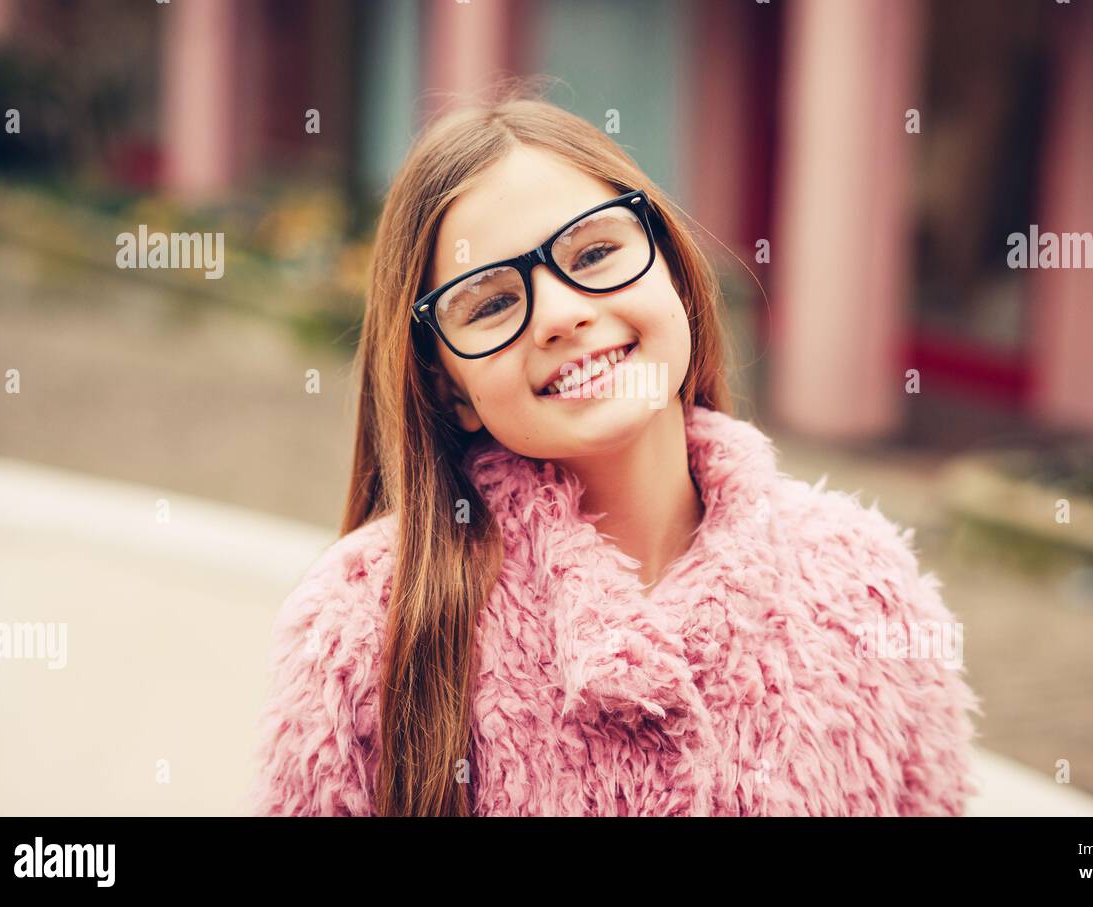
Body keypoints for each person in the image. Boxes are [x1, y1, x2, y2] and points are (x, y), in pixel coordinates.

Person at [245, 81, 982, 817]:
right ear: (447, 385)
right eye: (493, 302)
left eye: (595, 252)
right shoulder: (362, 626)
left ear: (674, 271)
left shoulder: (866, 586)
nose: (562, 313)